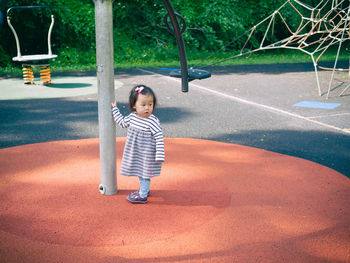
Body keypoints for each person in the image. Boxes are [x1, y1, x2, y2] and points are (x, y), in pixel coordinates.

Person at [111, 85, 165, 204]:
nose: (147, 108)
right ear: (134, 105)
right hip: (136, 152)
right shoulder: (132, 118)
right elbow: (121, 122)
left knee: (144, 173)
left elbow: (159, 137)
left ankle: (142, 195)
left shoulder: (152, 120)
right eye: (143, 105)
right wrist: (114, 109)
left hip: (147, 154)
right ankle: (144, 190)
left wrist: (160, 154)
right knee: (140, 171)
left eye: (150, 105)